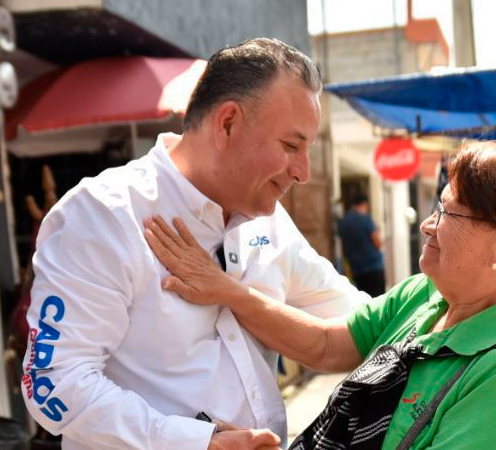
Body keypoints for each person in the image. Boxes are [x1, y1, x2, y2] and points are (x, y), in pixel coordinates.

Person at [20, 37, 370, 450]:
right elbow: (54, 382)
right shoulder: (104, 214)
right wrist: (196, 442)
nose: (303, 172)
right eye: (291, 146)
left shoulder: (270, 221)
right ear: (228, 124)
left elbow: (357, 320)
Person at [145, 140, 496, 449]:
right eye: (436, 207)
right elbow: (327, 345)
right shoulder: (428, 295)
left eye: (449, 212)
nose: (428, 224)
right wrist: (226, 290)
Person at [338, 192, 386, 296]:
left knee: (364, 298)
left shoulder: (343, 222)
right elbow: (378, 244)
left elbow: (343, 248)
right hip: (373, 267)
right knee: (379, 299)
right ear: (364, 204)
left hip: (356, 268)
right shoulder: (366, 219)